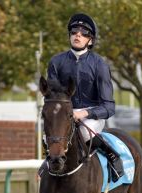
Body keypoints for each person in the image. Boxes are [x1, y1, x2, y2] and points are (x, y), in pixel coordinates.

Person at [43, 13, 124, 181]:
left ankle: (112, 155)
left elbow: (109, 107)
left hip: (91, 114)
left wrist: (83, 113)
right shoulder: (56, 62)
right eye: (74, 31)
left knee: (83, 133)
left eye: (84, 32)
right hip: (66, 112)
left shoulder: (99, 64)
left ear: (91, 40)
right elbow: (51, 97)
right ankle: (49, 163)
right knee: (48, 135)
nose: (78, 35)